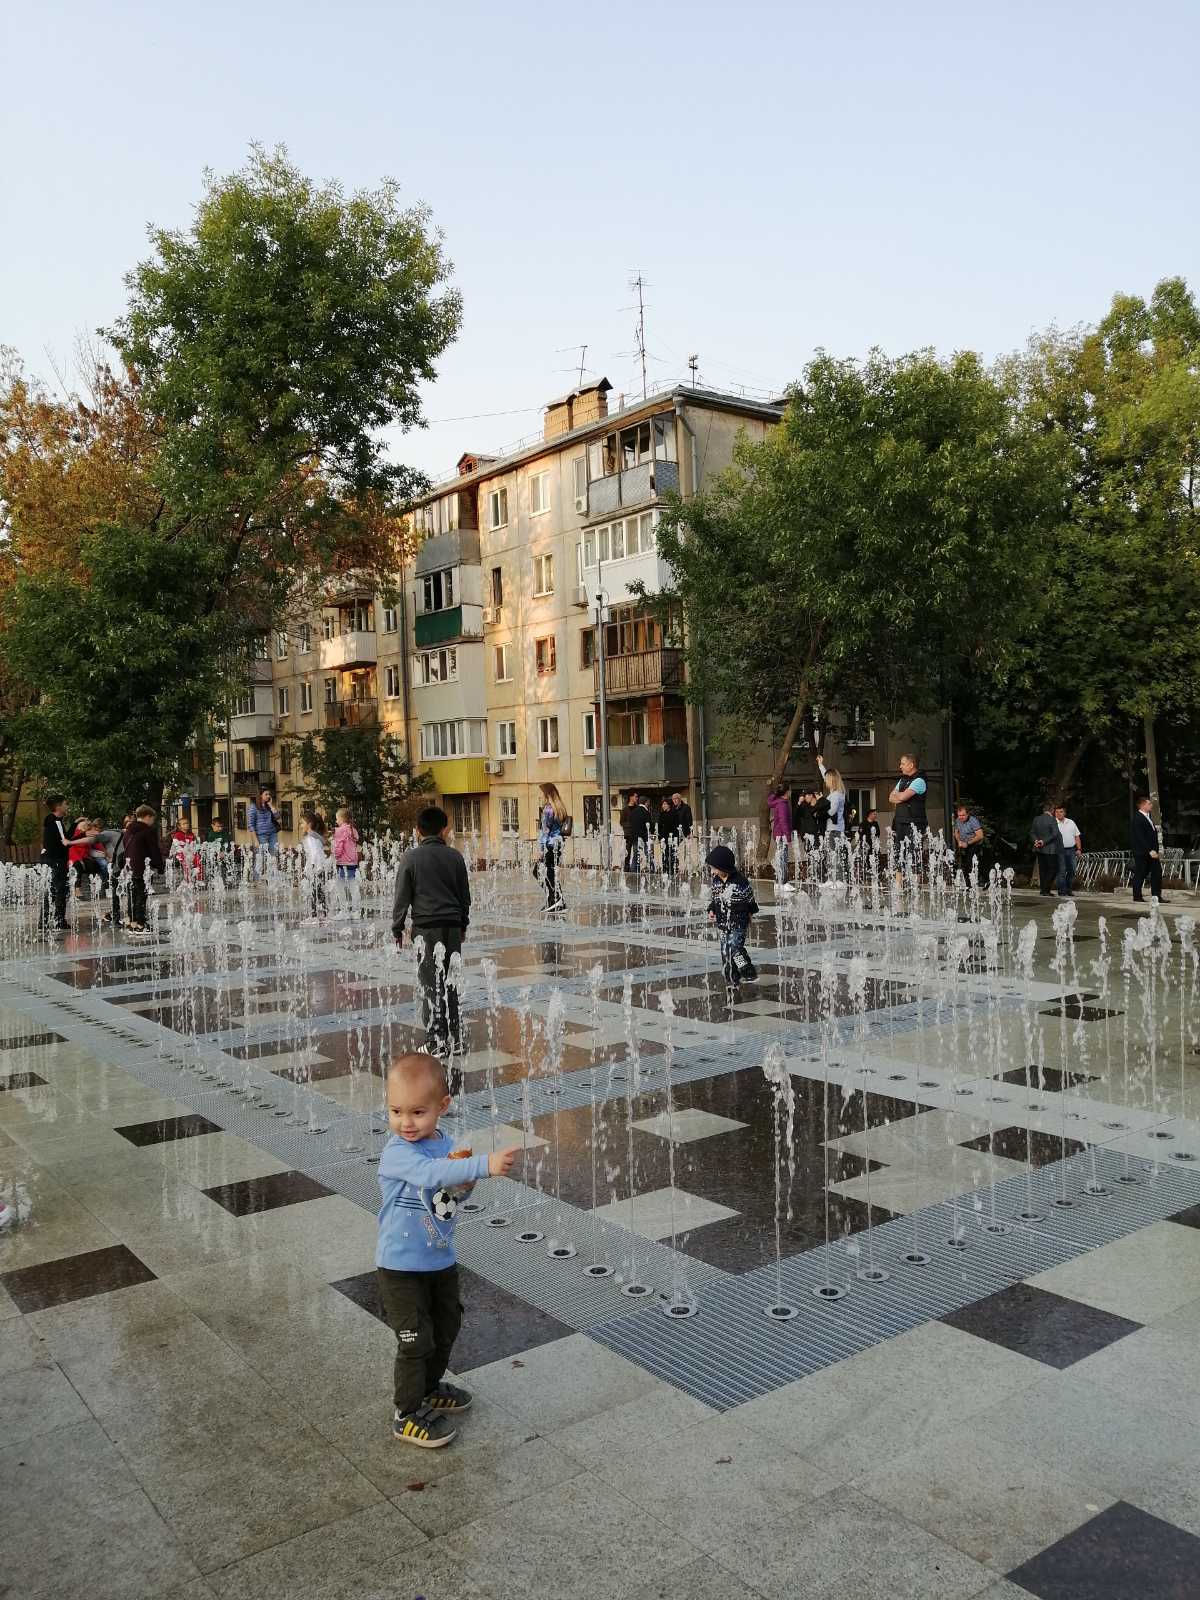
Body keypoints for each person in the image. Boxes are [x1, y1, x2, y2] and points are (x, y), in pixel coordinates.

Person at [375, 1052, 519, 1448]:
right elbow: (428, 1175)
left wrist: (465, 1183)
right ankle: (406, 1412)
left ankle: (430, 1388)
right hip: (399, 1268)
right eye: (396, 1111)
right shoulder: (397, 1153)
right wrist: (482, 1166)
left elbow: (450, 1193)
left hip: (439, 1260)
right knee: (415, 1339)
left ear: (443, 1107)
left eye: (418, 1112)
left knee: (445, 1327)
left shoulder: (449, 1146)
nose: (406, 1122)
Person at [392, 805, 471, 1058]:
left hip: (425, 930)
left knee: (431, 984)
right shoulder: (455, 857)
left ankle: (436, 1042)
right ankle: (457, 1040)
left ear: (417, 831)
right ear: (444, 829)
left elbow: (402, 898)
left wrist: (397, 927)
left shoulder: (410, 859)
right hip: (451, 927)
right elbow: (464, 897)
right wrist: (463, 925)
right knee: (452, 982)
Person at [706, 844, 759, 993]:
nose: (712, 871)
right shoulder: (716, 881)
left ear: (723, 866)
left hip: (738, 923)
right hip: (723, 923)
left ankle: (747, 970)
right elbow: (715, 899)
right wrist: (711, 910)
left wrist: (750, 913)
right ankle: (732, 979)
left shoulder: (740, 882)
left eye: (714, 868)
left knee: (735, 950)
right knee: (725, 951)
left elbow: (750, 899)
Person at [123, 807, 164, 932]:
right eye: (152, 818)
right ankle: (140, 923)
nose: (153, 821)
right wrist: (160, 866)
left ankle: (132, 922)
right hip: (142, 867)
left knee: (132, 895)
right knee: (141, 895)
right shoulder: (148, 830)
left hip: (129, 867)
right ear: (147, 816)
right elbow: (154, 850)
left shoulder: (129, 830)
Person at [888, 755, 928, 875]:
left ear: (911, 765)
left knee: (914, 854)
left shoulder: (919, 781)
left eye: (903, 763)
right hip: (900, 822)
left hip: (914, 823)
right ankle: (899, 888)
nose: (900, 766)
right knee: (899, 855)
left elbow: (903, 796)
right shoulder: (902, 780)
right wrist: (901, 797)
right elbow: (891, 797)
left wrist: (900, 796)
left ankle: (915, 887)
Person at [39, 795, 71, 934]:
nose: (67, 806)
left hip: (52, 860)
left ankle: (52, 920)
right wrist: (78, 827)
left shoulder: (52, 821)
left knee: (55, 890)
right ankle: (55, 921)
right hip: (56, 860)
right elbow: (65, 842)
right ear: (58, 806)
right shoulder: (55, 822)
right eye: (66, 804)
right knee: (56, 890)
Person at [1131, 794, 1168, 904]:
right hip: (1143, 852)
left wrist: (1156, 850)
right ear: (1142, 805)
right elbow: (1140, 837)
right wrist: (1149, 850)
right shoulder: (1138, 818)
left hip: (1152, 852)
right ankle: (1137, 896)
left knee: (1157, 872)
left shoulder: (1147, 817)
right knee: (1140, 873)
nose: (1151, 805)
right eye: (1149, 803)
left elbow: (1151, 835)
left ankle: (1156, 896)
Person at [537, 783, 568, 910]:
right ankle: (555, 899)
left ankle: (555, 898)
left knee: (538, 871)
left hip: (550, 844)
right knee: (550, 872)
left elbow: (545, 831)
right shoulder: (560, 808)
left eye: (542, 793)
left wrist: (541, 849)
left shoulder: (548, 809)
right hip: (558, 844)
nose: (540, 796)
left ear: (547, 794)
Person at [300, 812, 330, 923]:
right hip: (318, 867)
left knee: (315, 892)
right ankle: (323, 914)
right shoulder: (313, 836)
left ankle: (314, 915)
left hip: (316, 868)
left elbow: (315, 853)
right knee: (319, 892)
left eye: (302, 823)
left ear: (309, 824)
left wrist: (313, 868)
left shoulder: (311, 837)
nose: (301, 825)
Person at [332, 807, 362, 918]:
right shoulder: (352, 830)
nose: (336, 821)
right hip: (352, 863)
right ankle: (356, 911)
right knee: (353, 887)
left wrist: (335, 855)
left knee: (340, 887)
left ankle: (344, 912)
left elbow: (339, 847)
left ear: (341, 818)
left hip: (343, 862)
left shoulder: (340, 831)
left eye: (337, 819)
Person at [1031, 802, 1062, 896]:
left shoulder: (1036, 819)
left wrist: (1036, 841)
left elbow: (1032, 832)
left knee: (1043, 869)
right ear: (1051, 810)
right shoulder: (1052, 819)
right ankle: (1046, 889)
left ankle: (1043, 890)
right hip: (1050, 849)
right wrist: (1043, 841)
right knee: (1053, 869)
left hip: (1039, 849)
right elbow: (1055, 834)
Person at [247, 788, 281, 876]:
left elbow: (277, 817)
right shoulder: (253, 807)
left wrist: (271, 805)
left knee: (274, 857)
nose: (268, 796)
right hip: (261, 836)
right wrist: (255, 840)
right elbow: (251, 825)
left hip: (272, 834)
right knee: (260, 858)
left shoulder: (268, 806)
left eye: (269, 794)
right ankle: (257, 880)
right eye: (266, 794)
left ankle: (273, 879)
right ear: (260, 795)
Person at [767, 782, 793, 887]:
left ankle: (781, 881)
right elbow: (783, 821)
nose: (790, 792)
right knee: (783, 858)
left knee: (781, 857)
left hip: (779, 834)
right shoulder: (782, 804)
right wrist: (788, 837)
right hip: (782, 835)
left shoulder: (779, 802)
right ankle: (783, 882)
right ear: (786, 792)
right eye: (789, 790)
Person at [1054, 804, 1081, 899]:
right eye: (1056, 812)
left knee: (1072, 870)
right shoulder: (1053, 823)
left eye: (1061, 811)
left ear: (1064, 813)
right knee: (1061, 871)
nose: (1058, 814)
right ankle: (1062, 891)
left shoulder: (1071, 822)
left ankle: (1069, 889)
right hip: (1059, 850)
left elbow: (1077, 836)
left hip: (1071, 850)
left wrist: (1079, 849)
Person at [953, 804, 985, 884]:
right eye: (959, 815)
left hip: (974, 843)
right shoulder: (958, 820)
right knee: (963, 864)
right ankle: (967, 885)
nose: (961, 817)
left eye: (963, 815)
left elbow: (980, 835)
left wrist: (967, 843)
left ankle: (981, 881)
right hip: (963, 844)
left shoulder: (973, 821)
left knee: (971, 863)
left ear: (967, 814)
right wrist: (959, 841)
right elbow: (956, 832)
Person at [619, 791, 650, 872]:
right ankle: (626, 869)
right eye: (635, 797)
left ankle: (636, 869)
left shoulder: (638, 808)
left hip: (637, 834)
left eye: (637, 797)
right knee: (627, 853)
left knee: (637, 853)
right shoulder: (625, 809)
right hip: (628, 835)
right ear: (631, 797)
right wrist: (632, 825)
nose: (637, 798)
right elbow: (622, 822)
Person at [169, 816, 202, 886]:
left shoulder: (191, 834)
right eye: (184, 824)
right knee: (185, 861)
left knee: (198, 858)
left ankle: (199, 878)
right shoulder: (177, 835)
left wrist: (195, 850)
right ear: (179, 826)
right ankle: (188, 880)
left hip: (190, 853)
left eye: (187, 823)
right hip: (180, 853)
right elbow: (176, 846)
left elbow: (195, 845)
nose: (186, 825)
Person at [656, 796, 680, 876]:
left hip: (673, 838)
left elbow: (677, 826)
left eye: (665, 804)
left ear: (669, 805)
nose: (663, 806)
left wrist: (676, 838)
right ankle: (665, 870)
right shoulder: (662, 814)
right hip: (664, 838)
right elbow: (659, 826)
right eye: (662, 804)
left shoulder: (675, 813)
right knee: (665, 855)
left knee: (673, 854)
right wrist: (659, 837)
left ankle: (673, 871)